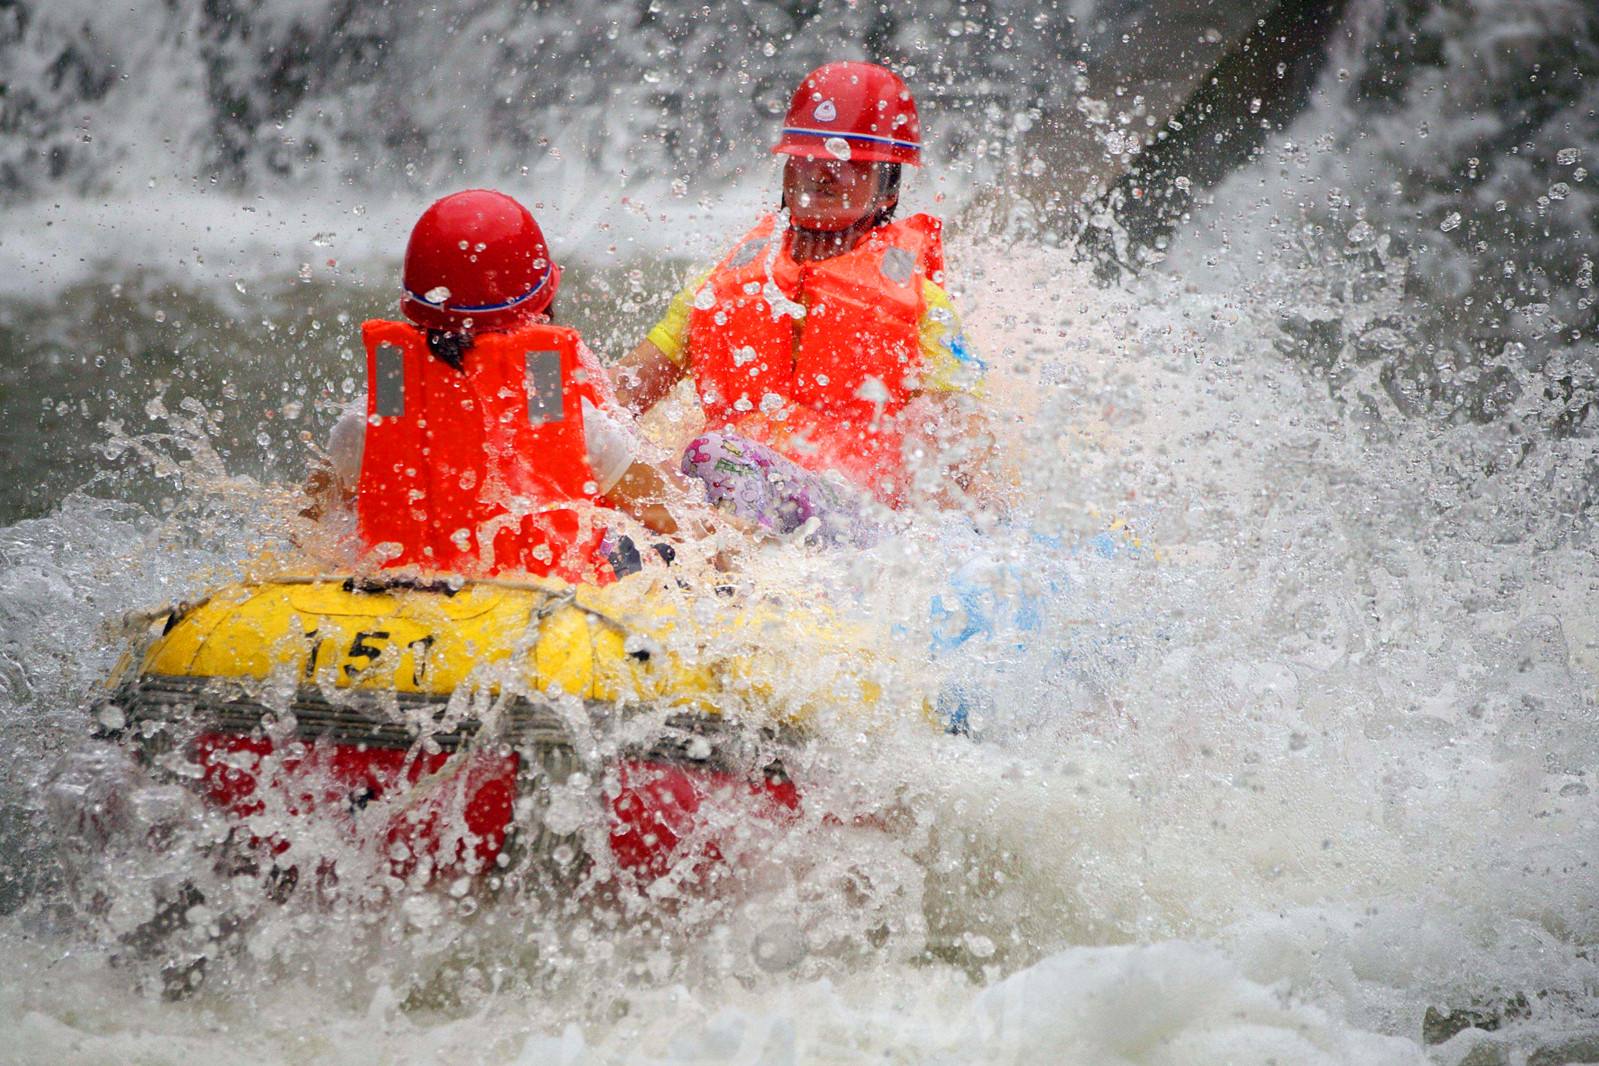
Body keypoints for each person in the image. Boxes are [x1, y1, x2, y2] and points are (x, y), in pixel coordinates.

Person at [611, 61, 995, 541]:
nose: (825, 175)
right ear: (788, 166)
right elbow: (622, 393)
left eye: (850, 163)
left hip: (860, 521)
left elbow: (963, 441)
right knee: (657, 480)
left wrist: (972, 530)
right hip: (737, 487)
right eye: (809, 157)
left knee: (711, 456)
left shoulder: (922, 305)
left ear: (887, 186)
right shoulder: (719, 284)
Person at [309, 189, 686, 582]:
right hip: (543, 611)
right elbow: (673, 516)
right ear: (541, 307)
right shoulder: (569, 419)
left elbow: (311, 526)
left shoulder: (371, 418)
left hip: (404, 607)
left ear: (414, 309)